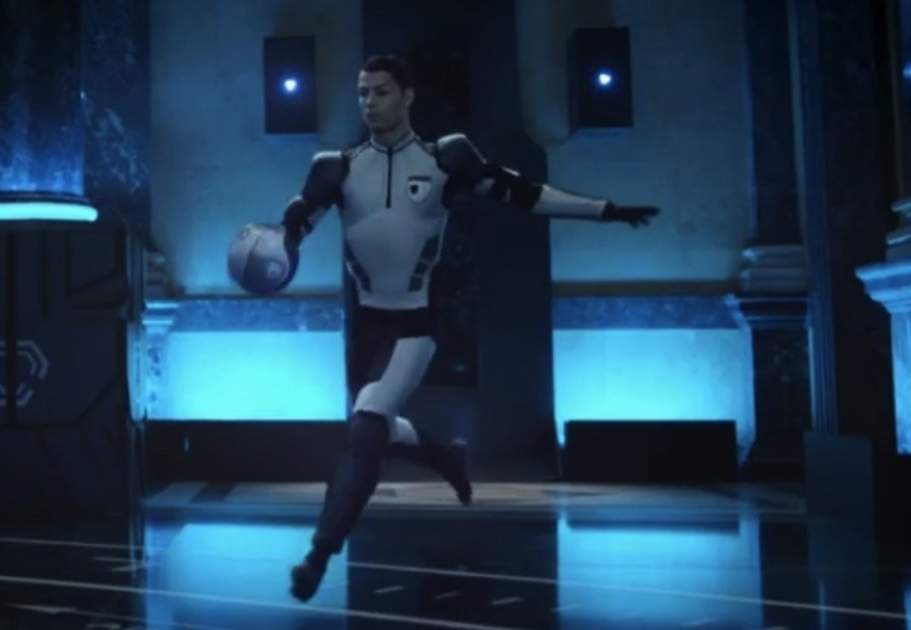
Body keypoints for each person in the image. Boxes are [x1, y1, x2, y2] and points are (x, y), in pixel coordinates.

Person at [279, 55, 656, 602]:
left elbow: (522, 192)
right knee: (378, 430)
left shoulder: (445, 157)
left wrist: (603, 210)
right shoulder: (334, 167)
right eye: (362, 93)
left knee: (363, 431)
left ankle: (318, 556)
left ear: (408, 95)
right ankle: (445, 457)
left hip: (415, 323)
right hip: (365, 329)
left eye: (381, 92)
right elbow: (294, 230)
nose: (369, 103)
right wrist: (280, 235)